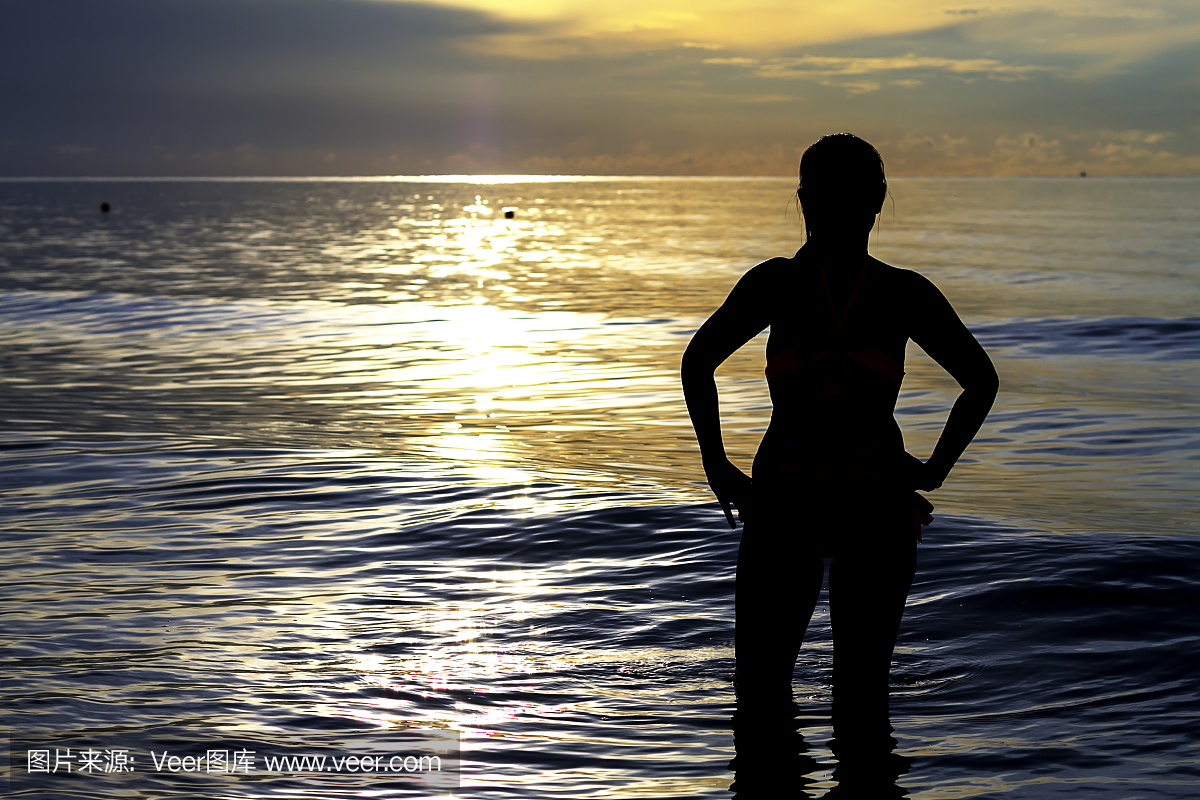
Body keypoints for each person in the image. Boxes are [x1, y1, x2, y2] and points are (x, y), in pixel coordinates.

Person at [681, 133, 998, 762]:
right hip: (873, 504)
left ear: (802, 201)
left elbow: (698, 364)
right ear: (879, 200)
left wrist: (718, 467)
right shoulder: (903, 292)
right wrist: (934, 470)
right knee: (862, 700)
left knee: (762, 696)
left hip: (786, 504)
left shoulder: (775, 284)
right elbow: (980, 382)